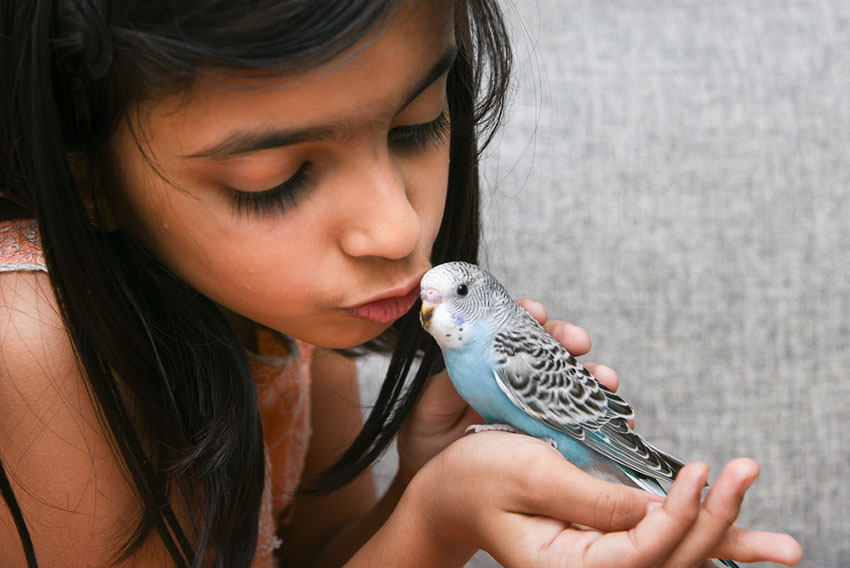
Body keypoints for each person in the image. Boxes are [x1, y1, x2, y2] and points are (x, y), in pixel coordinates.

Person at [0, 1, 803, 566]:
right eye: (274, 179)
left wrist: (427, 478)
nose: (397, 233)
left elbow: (318, 555)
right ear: (88, 182)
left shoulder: (293, 318)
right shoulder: (37, 341)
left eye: (418, 123)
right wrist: (437, 525)